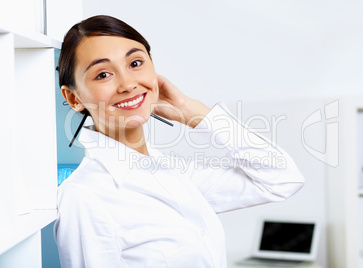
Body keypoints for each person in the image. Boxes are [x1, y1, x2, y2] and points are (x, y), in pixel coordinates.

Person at [54, 15, 305, 268]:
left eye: (136, 63)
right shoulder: (84, 197)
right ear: (73, 98)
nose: (128, 84)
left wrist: (192, 111)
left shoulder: (172, 172)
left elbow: (282, 179)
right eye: (104, 74)